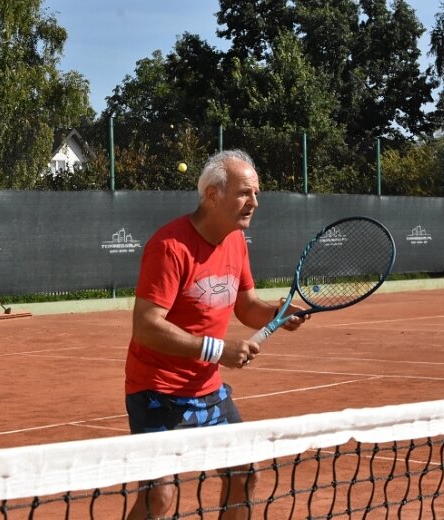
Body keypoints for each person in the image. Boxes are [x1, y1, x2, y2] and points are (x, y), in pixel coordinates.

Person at [124, 150, 308, 519]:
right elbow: (146, 326)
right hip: (157, 391)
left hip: (208, 391)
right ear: (212, 195)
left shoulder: (236, 241)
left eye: (256, 194)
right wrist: (217, 349)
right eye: (244, 193)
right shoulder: (169, 247)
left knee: (245, 474)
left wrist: (276, 312)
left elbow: (245, 305)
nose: (254, 202)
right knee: (159, 497)